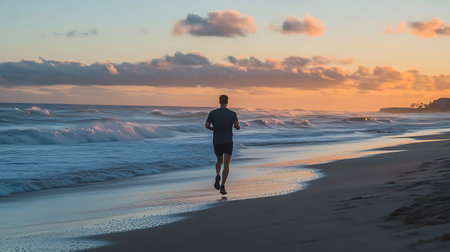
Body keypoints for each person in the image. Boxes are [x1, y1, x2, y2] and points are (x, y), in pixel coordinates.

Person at [205, 95, 240, 195]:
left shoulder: (213, 113)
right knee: (226, 164)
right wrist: (236, 126)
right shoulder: (232, 114)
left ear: (219, 101)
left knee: (219, 160)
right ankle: (223, 186)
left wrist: (212, 129)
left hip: (217, 141)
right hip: (228, 141)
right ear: (227, 102)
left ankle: (217, 175)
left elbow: (207, 125)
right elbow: (237, 126)